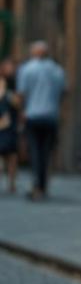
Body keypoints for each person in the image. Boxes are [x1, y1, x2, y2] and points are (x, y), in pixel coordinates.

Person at [17, 41, 66, 200]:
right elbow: (64, 92)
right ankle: (43, 185)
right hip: (51, 115)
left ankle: (37, 185)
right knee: (46, 152)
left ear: (34, 53)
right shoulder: (57, 70)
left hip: (32, 115)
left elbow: (21, 94)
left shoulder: (27, 69)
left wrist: (21, 112)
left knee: (35, 152)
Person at [0, 58, 20, 192]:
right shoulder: (1, 83)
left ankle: (11, 183)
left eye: (12, 67)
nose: (10, 70)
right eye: (7, 67)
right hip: (1, 123)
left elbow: (18, 103)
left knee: (12, 154)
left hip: (11, 123)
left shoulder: (16, 83)